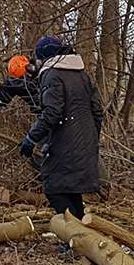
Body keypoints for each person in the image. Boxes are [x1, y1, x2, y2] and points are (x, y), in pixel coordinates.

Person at [19, 37, 104, 223]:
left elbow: (52, 112)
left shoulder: (52, 75)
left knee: (54, 187)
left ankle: (73, 235)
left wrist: (31, 139)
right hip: (86, 138)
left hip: (66, 141)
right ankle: (83, 231)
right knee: (69, 188)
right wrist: (91, 138)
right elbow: (98, 111)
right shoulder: (82, 74)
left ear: (44, 56)